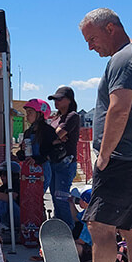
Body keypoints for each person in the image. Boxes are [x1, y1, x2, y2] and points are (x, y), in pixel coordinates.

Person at [57, 8, 132, 262]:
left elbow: (119, 108)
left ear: (111, 28)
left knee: (99, 225)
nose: (90, 46)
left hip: (121, 158)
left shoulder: (126, 58)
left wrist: (104, 154)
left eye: (92, 38)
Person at [48, 86, 81, 228]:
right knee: (55, 199)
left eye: (59, 99)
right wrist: (53, 138)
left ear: (69, 100)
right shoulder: (56, 117)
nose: (56, 102)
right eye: (55, 99)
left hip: (66, 163)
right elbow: (50, 136)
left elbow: (56, 134)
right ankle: (60, 228)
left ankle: (70, 230)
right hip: (53, 162)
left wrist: (54, 137)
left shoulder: (72, 116)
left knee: (61, 199)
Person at [16, 99, 58, 192]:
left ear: (40, 114)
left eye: (30, 112)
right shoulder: (28, 132)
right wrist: (21, 151)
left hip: (42, 169)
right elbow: (21, 155)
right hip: (28, 169)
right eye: (27, 113)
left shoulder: (48, 131)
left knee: (37, 196)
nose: (27, 116)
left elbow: (53, 152)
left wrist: (37, 160)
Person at [0, 160, 21, 237]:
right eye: (0, 174)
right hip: (10, 215)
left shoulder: (18, 185)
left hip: (19, 215)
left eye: (4, 174)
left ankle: (3, 224)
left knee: (2, 202)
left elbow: (9, 198)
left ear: (12, 175)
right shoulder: (4, 187)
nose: (1, 177)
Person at [69, 188, 93, 262]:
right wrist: (71, 203)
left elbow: (81, 241)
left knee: (72, 247)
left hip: (91, 251)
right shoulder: (89, 212)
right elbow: (77, 218)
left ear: (85, 202)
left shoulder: (89, 220)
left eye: (80, 199)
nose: (78, 201)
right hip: (95, 248)